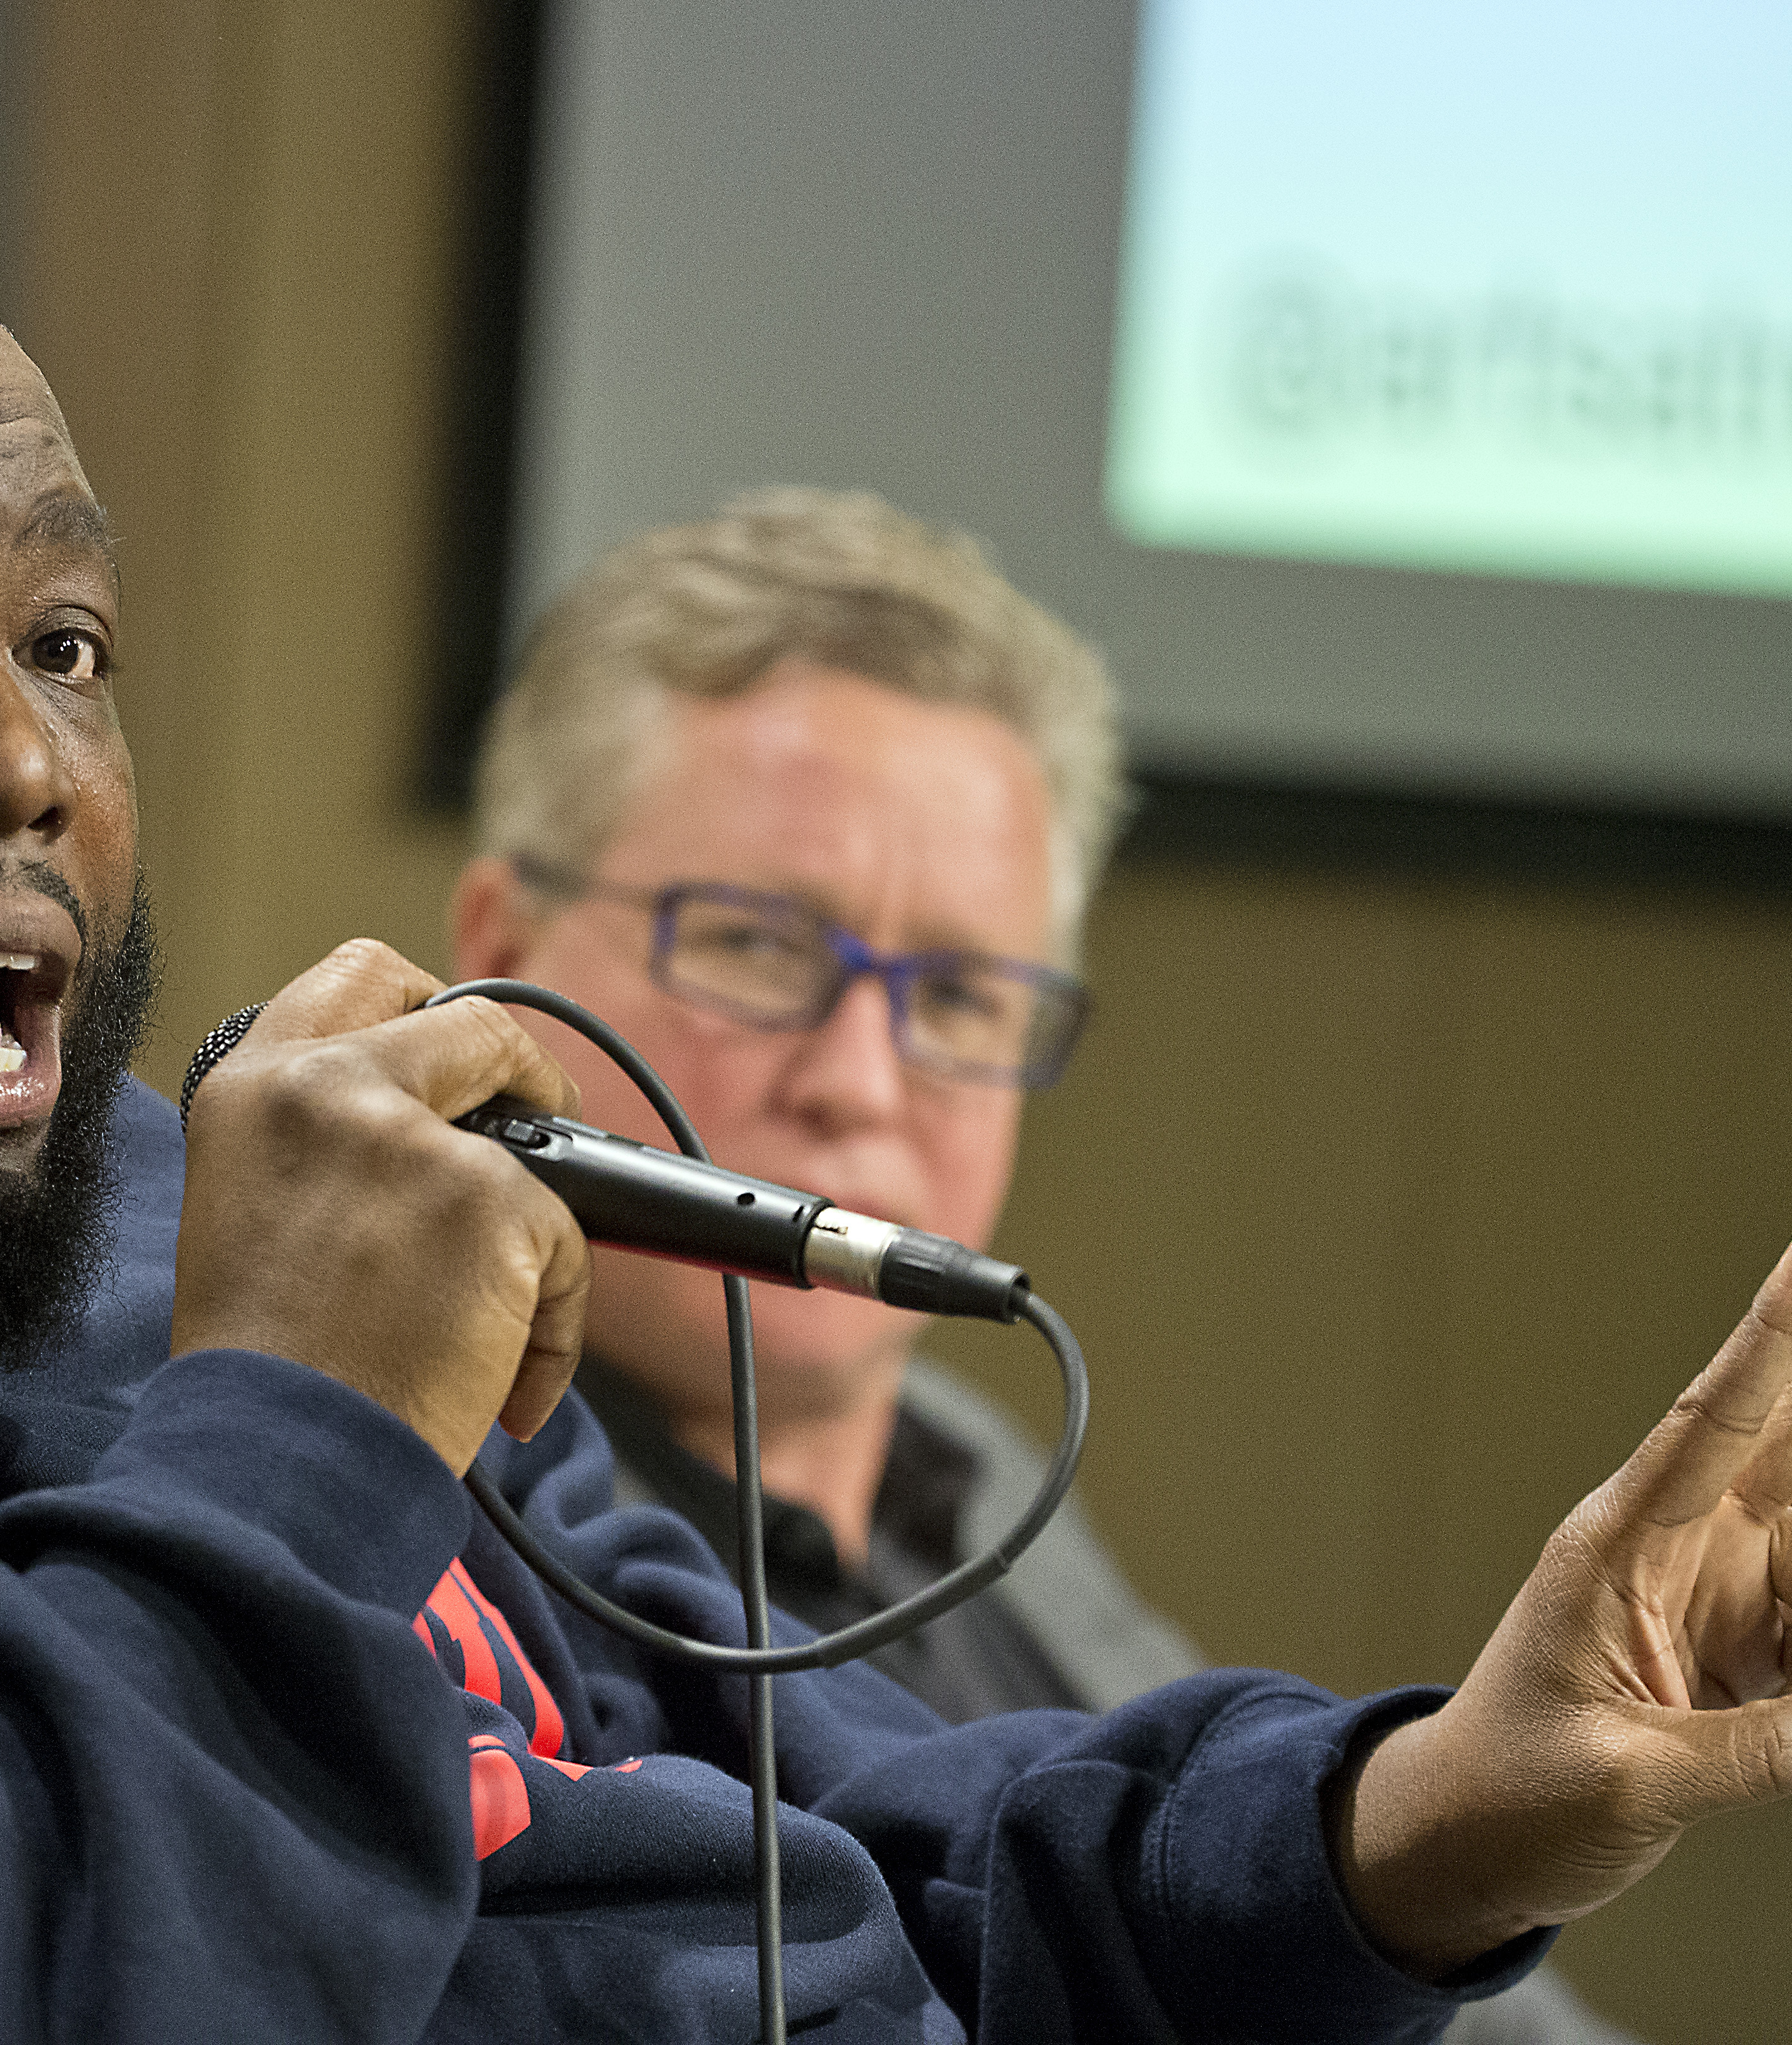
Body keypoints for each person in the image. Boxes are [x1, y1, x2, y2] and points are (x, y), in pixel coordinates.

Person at [0, 205, 1792, 2045]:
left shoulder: (181, 1234)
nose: (18, 764)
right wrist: (289, 1445)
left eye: (67, 638)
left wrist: (1409, 1821)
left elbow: (861, 1846)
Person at [447, 489, 1638, 2041]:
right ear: (498, 945)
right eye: (752, 942)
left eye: (958, 994)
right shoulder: (443, 1519)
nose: (860, 1080)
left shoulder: (976, 1464)